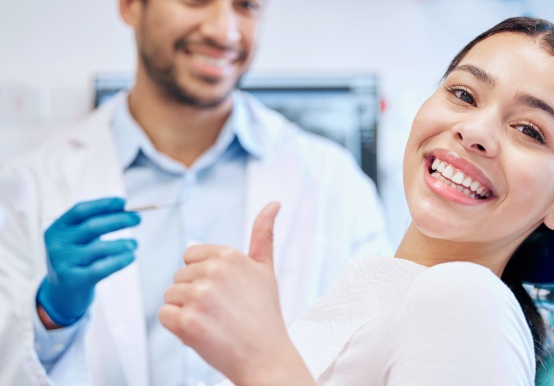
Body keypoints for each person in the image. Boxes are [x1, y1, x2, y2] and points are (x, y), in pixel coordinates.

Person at [159, 16, 554, 385]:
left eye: (529, 130)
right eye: (463, 94)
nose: (474, 130)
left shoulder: (467, 297)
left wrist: (262, 361)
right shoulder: (380, 290)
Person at [0, 0, 392, 385]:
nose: (224, 31)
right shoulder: (30, 185)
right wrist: (49, 316)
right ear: (131, 6)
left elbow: (378, 360)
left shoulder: (334, 182)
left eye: (246, 5)